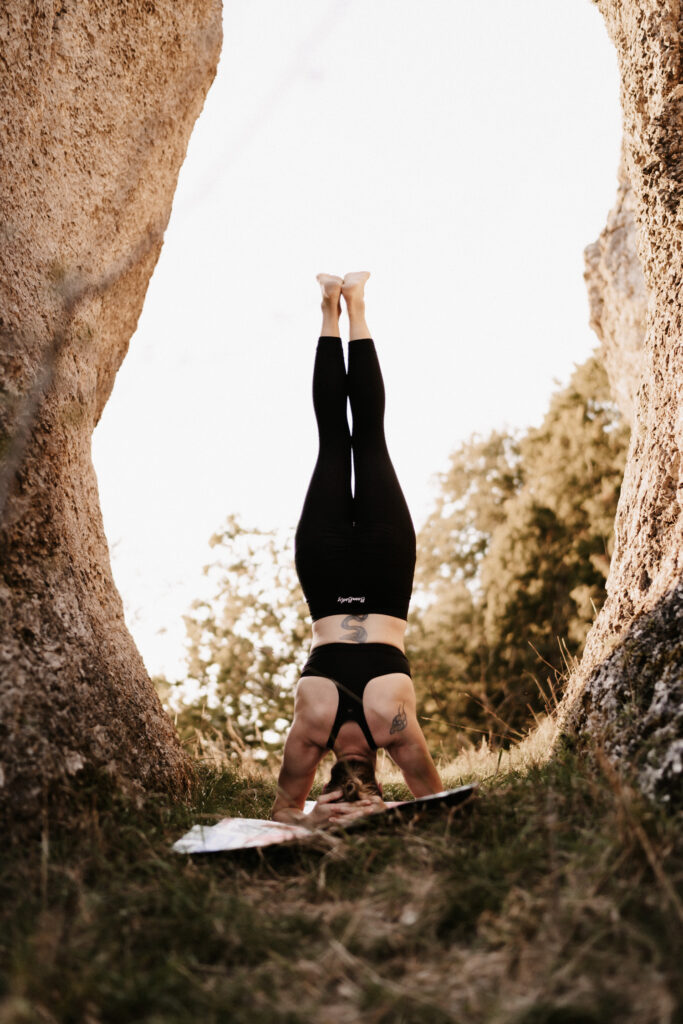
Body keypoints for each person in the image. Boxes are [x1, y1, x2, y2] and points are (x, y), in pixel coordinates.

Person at [271, 272, 443, 828]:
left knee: (332, 441)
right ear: (380, 792)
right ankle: (358, 308)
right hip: (386, 570)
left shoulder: (310, 736)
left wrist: (309, 821)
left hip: (324, 575)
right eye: (364, 800)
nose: (354, 793)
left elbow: (280, 812)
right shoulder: (396, 734)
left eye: (342, 799)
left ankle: (329, 310)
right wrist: (382, 817)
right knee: (369, 439)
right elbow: (438, 806)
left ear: (326, 791)